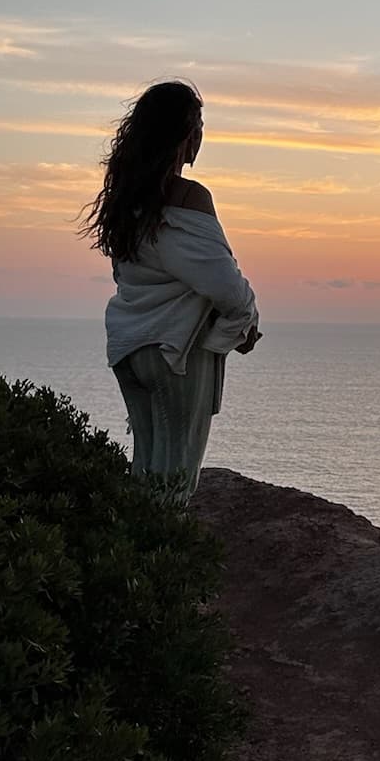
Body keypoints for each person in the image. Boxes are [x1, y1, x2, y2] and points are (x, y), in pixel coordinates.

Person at [82, 80, 260, 499]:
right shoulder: (188, 198)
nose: (201, 135)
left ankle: (128, 558)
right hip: (176, 352)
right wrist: (243, 327)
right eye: (197, 124)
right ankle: (159, 563)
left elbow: (128, 277)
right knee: (175, 480)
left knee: (144, 471)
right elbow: (227, 287)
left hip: (130, 347)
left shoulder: (126, 202)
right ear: (184, 135)